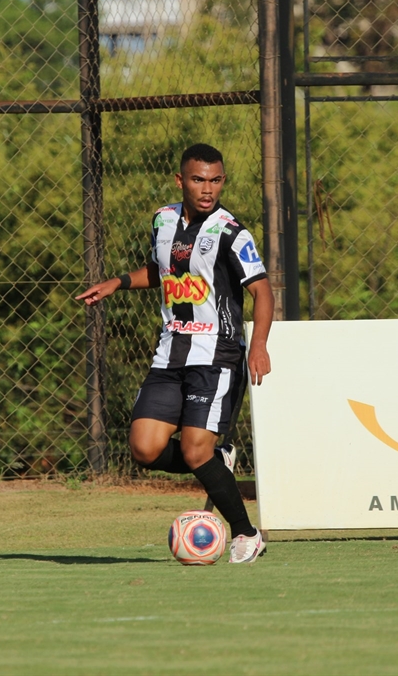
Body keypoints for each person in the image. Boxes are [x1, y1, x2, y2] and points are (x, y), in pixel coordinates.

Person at [76, 143, 274, 564]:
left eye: (216, 180)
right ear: (180, 180)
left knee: (193, 449)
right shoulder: (163, 220)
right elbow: (164, 271)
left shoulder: (232, 232)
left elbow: (261, 290)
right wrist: (118, 282)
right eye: (199, 180)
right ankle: (215, 461)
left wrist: (257, 346)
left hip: (216, 355)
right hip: (170, 355)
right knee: (144, 449)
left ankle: (246, 533)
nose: (208, 189)